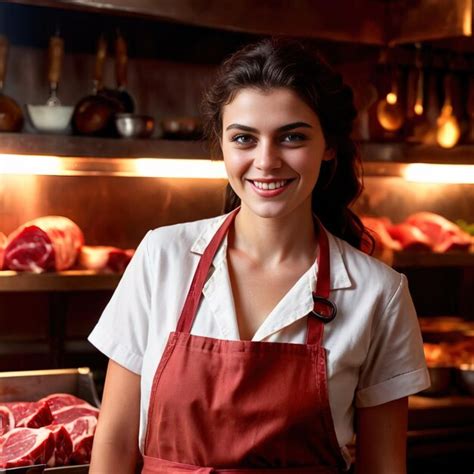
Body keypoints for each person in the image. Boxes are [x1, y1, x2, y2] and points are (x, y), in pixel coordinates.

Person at [88, 38, 430, 474]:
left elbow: (384, 467)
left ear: (328, 146)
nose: (266, 161)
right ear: (223, 145)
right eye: (245, 138)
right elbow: (115, 445)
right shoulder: (162, 256)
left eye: (292, 136)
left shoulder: (378, 294)